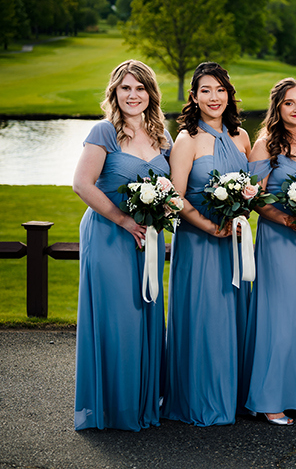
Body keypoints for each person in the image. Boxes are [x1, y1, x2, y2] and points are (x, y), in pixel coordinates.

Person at [73, 60, 172, 431]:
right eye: (125, 88)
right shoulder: (104, 132)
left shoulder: (164, 136)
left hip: (147, 240)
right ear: (114, 93)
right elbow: (82, 184)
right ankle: (113, 409)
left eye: (140, 88)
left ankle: (141, 404)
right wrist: (124, 221)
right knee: (119, 319)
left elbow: (172, 188)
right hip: (110, 234)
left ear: (151, 93)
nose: (133, 95)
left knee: (145, 314)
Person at [162, 62, 252, 426]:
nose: (214, 97)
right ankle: (199, 399)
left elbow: (250, 190)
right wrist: (208, 225)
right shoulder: (187, 139)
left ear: (229, 93)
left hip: (234, 243)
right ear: (194, 97)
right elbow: (175, 196)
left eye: (220, 90)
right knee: (204, 319)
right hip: (200, 242)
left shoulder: (242, 136)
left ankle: (231, 397)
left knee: (232, 319)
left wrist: (240, 213)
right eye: (205, 91)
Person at [244, 78, 296, 426]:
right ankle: (268, 398)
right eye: (289, 102)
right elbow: (255, 198)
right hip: (278, 239)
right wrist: (289, 220)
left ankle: (294, 394)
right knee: (279, 316)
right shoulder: (265, 146)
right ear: (277, 107)